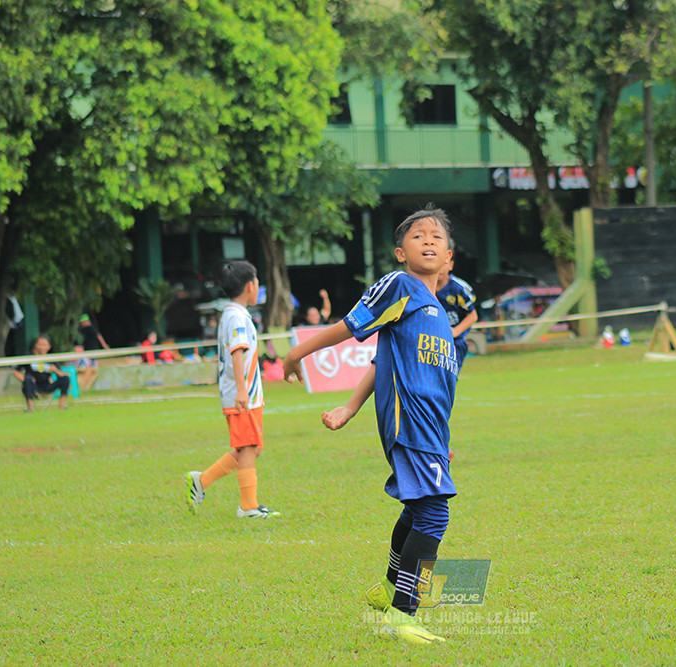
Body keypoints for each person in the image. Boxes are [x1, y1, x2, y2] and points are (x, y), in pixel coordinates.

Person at [283, 207, 458, 645]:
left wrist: (349, 407)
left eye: (436, 236)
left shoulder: (437, 312)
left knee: (419, 510)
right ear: (402, 252)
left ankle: (386, 591)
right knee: (435, 515)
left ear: (449, 254)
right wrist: (296, 353)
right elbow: (348, 326)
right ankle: (403, 613)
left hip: (430, 431)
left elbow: (387, 363)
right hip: (408, 423)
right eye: (418, 236)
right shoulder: (400, 286)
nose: (429, 241)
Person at [185, 260, 278, 519]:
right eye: (257, 281)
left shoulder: (234, 313)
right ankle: (248, 506)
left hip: (247, 393)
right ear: (250, 286)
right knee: (248, 446)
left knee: (251, 448)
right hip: (241, 394)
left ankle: (201, 481)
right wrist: (241, 391)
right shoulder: (237, 316)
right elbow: (237, 352)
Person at [435, 241, 479, 369]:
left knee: (448, 381)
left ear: (451, 265)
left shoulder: (459, 289)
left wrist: (454, 332)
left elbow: (472, 315)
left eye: (444, 264)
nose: (439, 268)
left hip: (455, 343)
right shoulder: (423, 288)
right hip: (432, 342)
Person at [12, 334, 71, 411]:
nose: (42, 347)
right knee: (28, 379)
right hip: (34, 385)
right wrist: (25, 380)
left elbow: (62, 374)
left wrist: (55, 370)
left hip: (47, 385)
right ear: (35, 345)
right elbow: (16, 371)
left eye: (44, 345)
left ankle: (62, 404)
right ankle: (30, 407)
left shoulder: (51, 358)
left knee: (65, 378)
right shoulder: (28, 357)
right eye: (40, 345)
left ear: (49, 347)